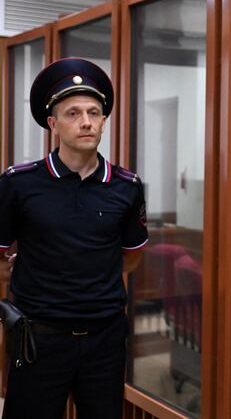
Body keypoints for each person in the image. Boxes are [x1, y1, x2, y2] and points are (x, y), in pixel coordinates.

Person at [0, 57, 148, 418]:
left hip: (104, 340)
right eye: (73, 113)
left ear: (103, 121)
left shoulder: (126, 187)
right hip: (39, 340)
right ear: (53, 123)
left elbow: (132, 257)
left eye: (94, 112)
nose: (86, 122)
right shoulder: (19, 184)